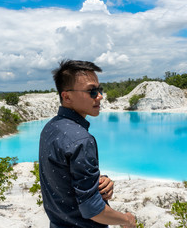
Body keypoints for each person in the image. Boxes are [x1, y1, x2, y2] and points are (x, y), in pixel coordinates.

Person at [39, 60, 136, 228]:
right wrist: (126, 220)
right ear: (67, 96)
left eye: (99, 89)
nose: (99, 96)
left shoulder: (50, 128)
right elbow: (92, 209)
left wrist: (99, 181)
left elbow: (64, 177)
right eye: (92, 91)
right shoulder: (81, 140)